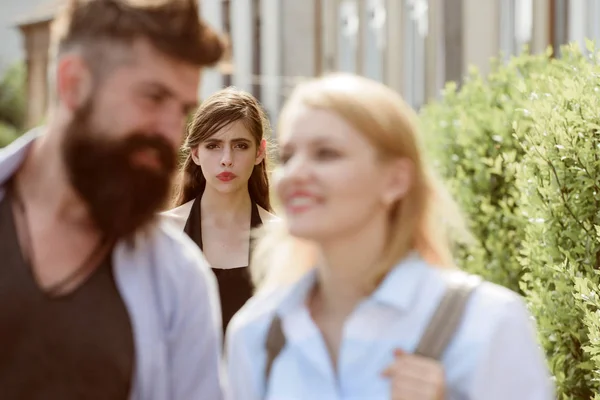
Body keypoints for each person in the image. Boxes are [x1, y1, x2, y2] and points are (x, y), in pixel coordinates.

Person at [224, 74, 554, 400]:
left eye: (326, 154)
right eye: (289, 156)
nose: (294, 174)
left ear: (396, 180)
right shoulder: (255, 333)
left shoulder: (488, 323)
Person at [0, 0, 227, 399]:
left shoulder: (180, 281)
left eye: (182, 111)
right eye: (153, 98)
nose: (170, 133)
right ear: (73, 84)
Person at [162, 87, 277, 332]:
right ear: (195, 153)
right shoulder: (162, 233)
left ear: (259, 151)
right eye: (213, 146)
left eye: (240, 146)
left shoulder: (280, 239)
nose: (226, 159)